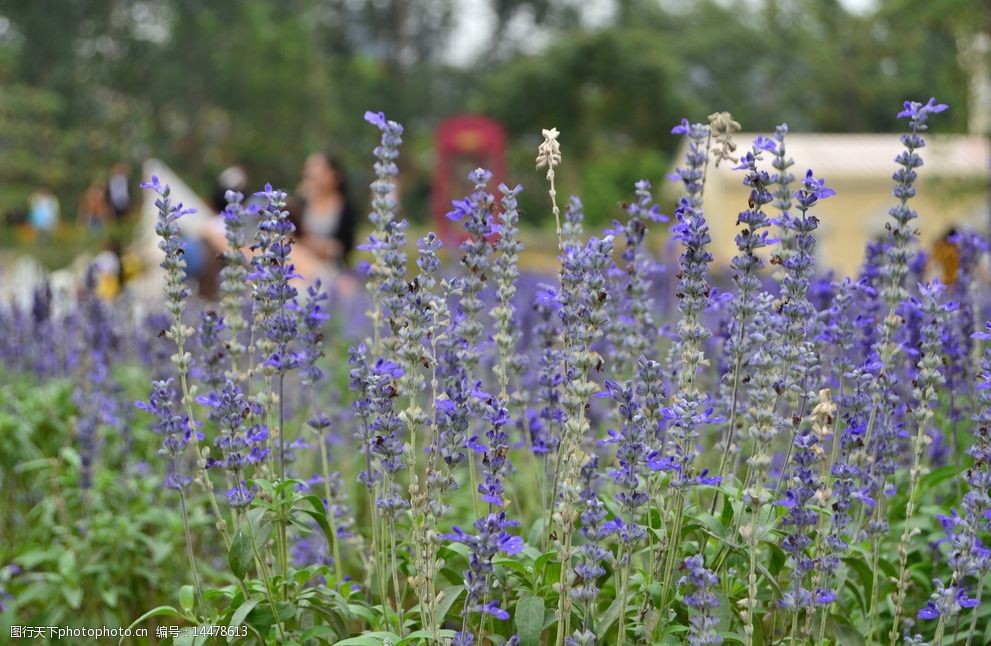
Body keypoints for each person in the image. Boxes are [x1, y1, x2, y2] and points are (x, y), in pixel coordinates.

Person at [297, 152, 357, 269]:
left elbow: (347, 247)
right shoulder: (302, 202)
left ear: (334, 175)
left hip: (331, 266)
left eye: (317, 168)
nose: (311, 173)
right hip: (302, 261)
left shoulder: (345, 207)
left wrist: (321, 247)